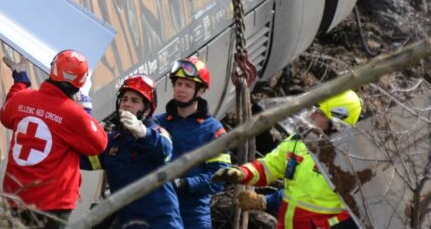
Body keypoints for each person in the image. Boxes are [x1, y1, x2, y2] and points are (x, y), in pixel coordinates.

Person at [212, 90, 363, 229]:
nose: (311, 115)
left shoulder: (351, 161)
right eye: (314, 109)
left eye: (320, 113)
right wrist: (242, 173)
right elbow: (269, 167)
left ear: (337, 122)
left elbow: (359, 214)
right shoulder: (297, 142)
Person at [0, 50, 108, 228]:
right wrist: (85, 110)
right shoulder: (73, 115)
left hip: (15, 197)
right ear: (80, 83)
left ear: (53, 69)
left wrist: (20, 80)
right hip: (52, 203)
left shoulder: (21, 98)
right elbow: (98, 144)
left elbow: (6, 115)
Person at [81, 74, 184, 228]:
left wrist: (143, 132)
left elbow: (165, 149)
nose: (127, 104)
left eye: (135, 101)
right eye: (124, 99)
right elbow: (83, 158)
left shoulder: (156, 132)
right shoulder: (112, 141)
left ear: (147, 109)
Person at [155, 56, 231, 228]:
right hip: (161, 211)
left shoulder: (213, 130)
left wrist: (185, 184)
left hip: (194, 215)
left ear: (201, 90)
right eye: (179, 84)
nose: (181, 89)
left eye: (188, 85)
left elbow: (219, 177)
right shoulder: (158, 123)